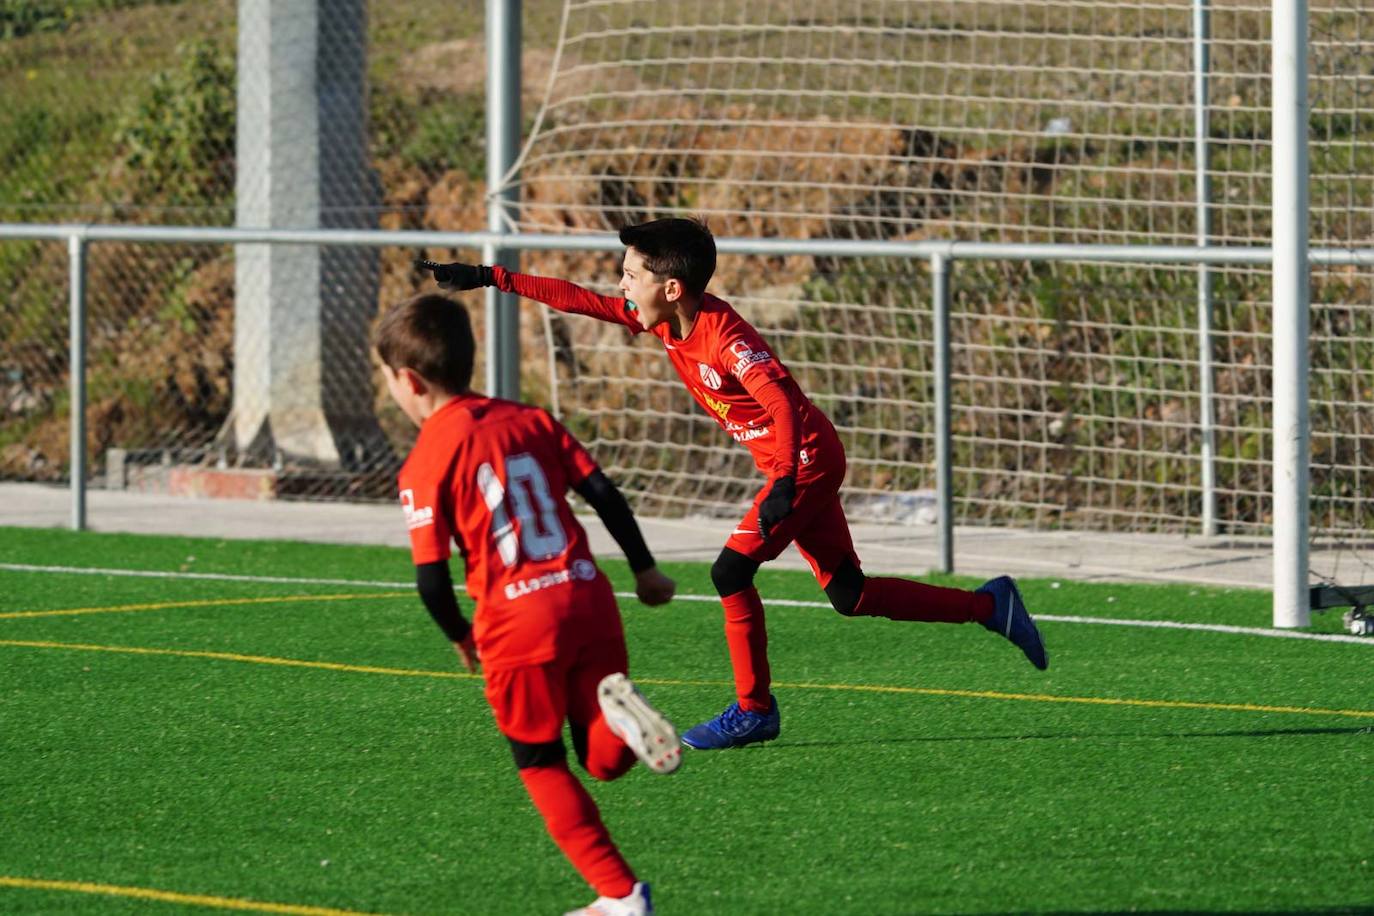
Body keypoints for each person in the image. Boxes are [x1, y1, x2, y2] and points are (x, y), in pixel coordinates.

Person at [415, 217, 1048, 753]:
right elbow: (580, 299)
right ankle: (991, 606)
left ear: (671, 286)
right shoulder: (664, 320)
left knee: (729, 572)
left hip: (805, 459)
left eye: (630, 274)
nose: (620, 284)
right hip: (796, 463)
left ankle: (755, 708)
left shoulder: (726, 337)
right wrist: (491, 277)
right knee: (851, 595)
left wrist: (782, 482)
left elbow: (780, 399)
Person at [374, 292, 681, 916]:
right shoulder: (532, 419)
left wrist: (462, 637)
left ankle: (620, 897)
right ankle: (621, 719)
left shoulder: (425, 461)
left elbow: (431, 582)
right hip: (586, 595)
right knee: (602, 761)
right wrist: (646, 571)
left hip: (517, 622)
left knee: (542, 764)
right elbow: (606, 494)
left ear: (408, 381)